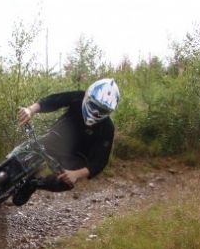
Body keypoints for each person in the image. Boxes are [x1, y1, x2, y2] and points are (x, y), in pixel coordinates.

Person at [13, 77, 120, 205]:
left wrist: (76, 174)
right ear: (87, 96)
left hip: (76, 158)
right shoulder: (78, 97)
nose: (96, 112)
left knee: (67, 183)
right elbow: (54, 101)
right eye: (94, 105)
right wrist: (30, 110)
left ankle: (34, 184)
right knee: (25, 149)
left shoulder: (107, 127)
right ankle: (7, 165)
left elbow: (100, 161)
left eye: (102, 110)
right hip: (56, 139)